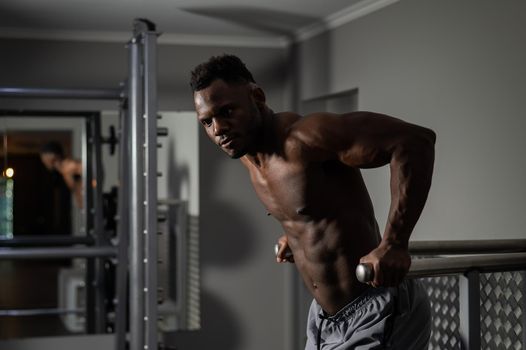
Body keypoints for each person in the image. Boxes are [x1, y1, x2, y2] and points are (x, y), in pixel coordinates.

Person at [190, 54, 436, 349]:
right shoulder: (248, 156)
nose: (218, 129)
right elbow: (311, 204)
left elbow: (414, 142)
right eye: (207, 122)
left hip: (375, 305)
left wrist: (395, 243)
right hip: (324, 319)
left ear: (257, 96)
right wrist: (296, 234)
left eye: (227, 111)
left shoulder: (305, 138)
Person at [40, 142, 83, 208]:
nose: (43, 161)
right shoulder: (63, 171)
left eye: (43, 157)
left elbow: (88, 172)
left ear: (52, 155)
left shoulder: (68, 165)